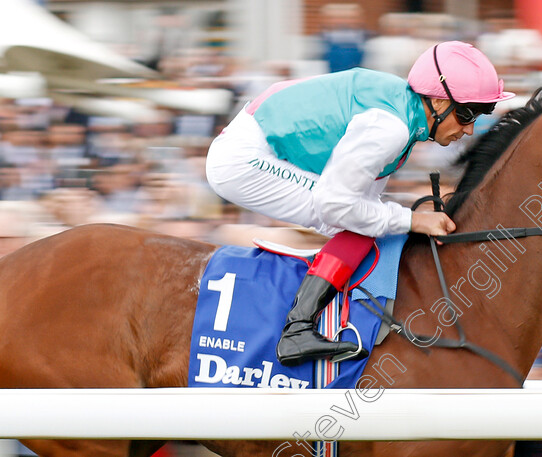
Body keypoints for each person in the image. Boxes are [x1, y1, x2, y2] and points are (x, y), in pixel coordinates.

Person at [205, 41, 514, 366]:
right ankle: (297, 329)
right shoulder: (390, 128)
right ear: (437, 101)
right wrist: (413, 220)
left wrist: (406, 219)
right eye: (466, 114)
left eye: (479, 115)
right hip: (244, 159)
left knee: (366, 217)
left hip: (260, 142)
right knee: (352, 216)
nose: (468, 129)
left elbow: (365, 203)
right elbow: (337, 206)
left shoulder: (406, 117)